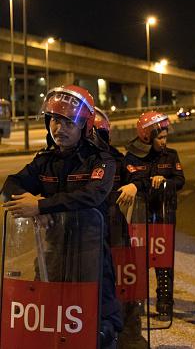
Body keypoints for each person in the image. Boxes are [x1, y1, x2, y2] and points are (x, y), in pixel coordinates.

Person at [1, 85, 122, 348]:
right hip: (52, 253)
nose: (60, 128)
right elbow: (10, 185)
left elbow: (93, 195)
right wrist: (38, 206)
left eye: (68, 121)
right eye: (55, 119)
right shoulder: (44, 161)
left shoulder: (101, 160)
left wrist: (43, 207)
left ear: (84, 126)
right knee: (47, 318)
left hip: (89, 254)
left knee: (98, 325)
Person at [94, 108, 148, 348]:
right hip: (78, 241)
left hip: (115, 236)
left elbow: (140, 177)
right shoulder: (67, 162)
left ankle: (128, 337)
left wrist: (134, 186)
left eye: (99, 134)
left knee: (123, 291)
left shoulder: (115, 159)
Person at [124, 111, 185, 320]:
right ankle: (137, 302)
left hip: (164, 216)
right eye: (160, 137)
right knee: (138, 260)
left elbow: (180, 180)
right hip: (140, 218)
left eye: (166, 137)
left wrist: (166, 182)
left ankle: (165, 302)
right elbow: (132, 180)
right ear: (147, 137)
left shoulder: (171, 155)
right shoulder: (131, 156)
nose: (164, 141)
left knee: (164, 262)